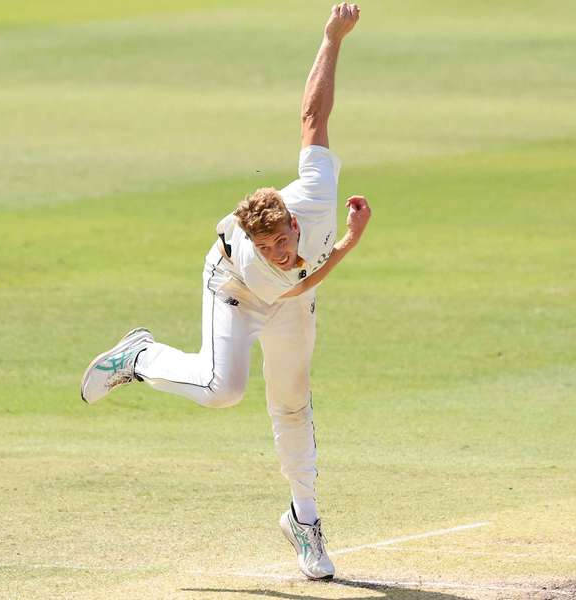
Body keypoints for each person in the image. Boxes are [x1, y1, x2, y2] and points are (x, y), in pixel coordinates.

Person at [80, 3, 371, 581]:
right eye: (268, 246)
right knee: (224, 390)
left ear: (292, 220)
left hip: (293, 302)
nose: (279, 250)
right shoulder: (256, 259)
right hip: (235, 290)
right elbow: (303, 277)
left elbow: (313, 115)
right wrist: (348, 242)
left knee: (292, 402)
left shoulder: (312, 192)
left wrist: (331, 38)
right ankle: (141, 356)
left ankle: (304, 521)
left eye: (283, 240)